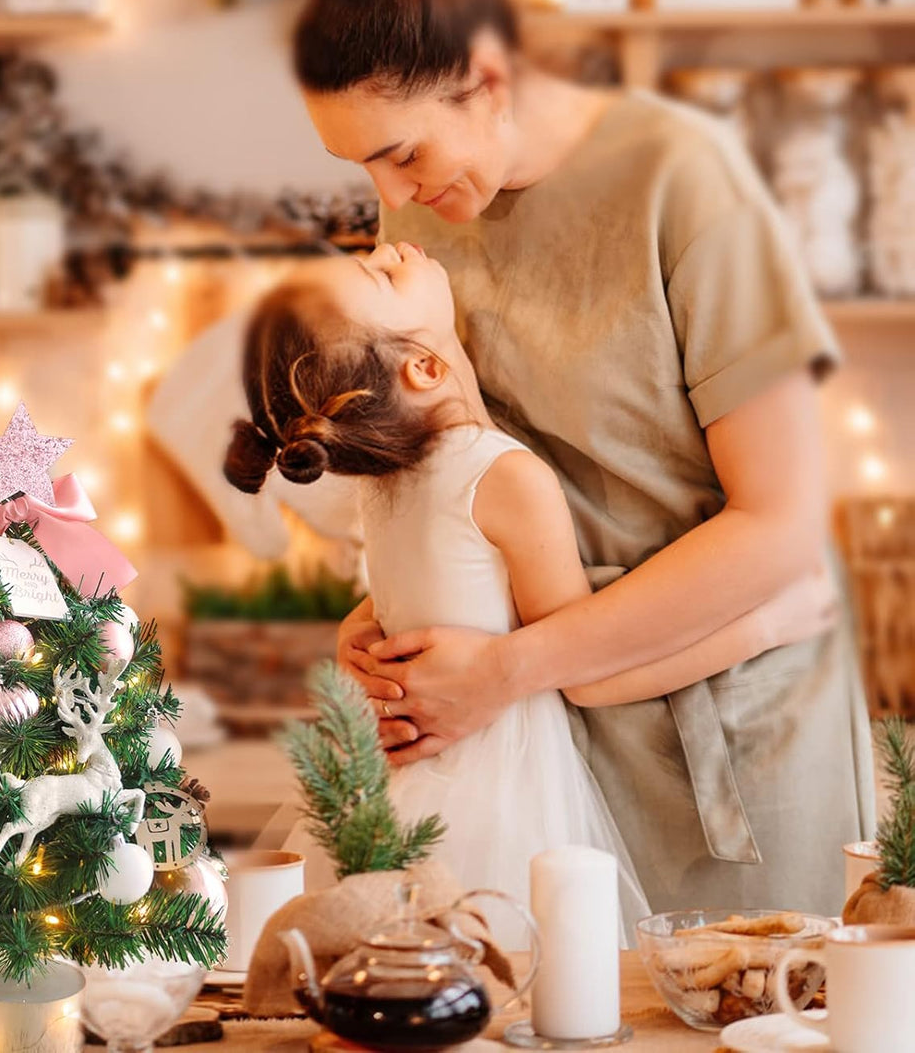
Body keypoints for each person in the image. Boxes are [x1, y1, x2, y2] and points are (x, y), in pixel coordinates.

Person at [282, 0, 873, 918]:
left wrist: (509, 664)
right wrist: (390, 623)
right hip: (545, 738)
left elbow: (778, 529)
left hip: (729, 725)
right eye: (362, 165)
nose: (389, 197)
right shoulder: (426, 232)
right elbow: (456, 460)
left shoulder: (680, 182)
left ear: (487, 76)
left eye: (401, 150)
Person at [223, 241, 830, 917]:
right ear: (423, 368)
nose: (392, 246)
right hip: (501, 798)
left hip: (401, 794)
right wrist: (767, 623)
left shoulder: (385, 487)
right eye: (381, 272)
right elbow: (592, 673)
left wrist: (355, 626)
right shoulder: (510, 480)